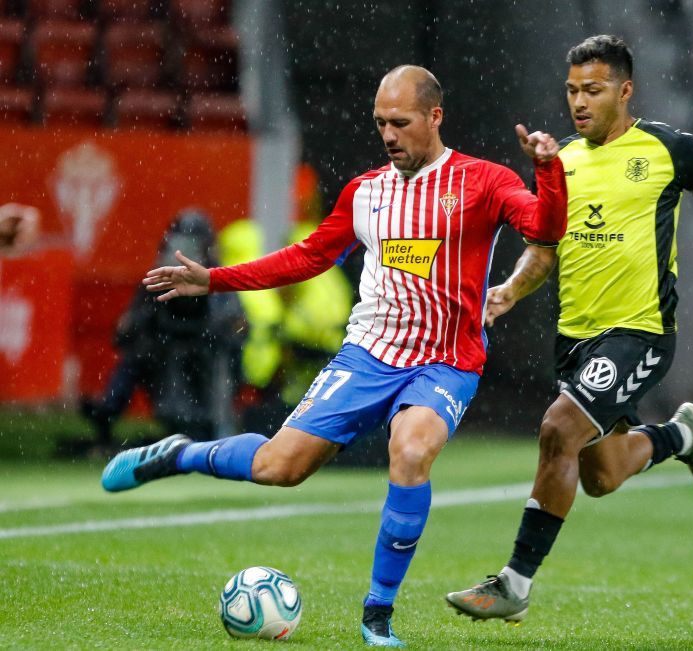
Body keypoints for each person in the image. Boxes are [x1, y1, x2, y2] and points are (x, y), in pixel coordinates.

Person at [100, 65, 567, 647]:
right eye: (380, 124)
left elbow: (546, 228)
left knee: (412, 449)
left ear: (434, 118)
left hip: (446, 361)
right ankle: (180, 454)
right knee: (280, 468)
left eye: (400, 122)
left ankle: (377, 614)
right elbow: (308, 257)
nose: (389, 135)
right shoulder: (365, 192)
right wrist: (215, 280)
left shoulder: (484, 182)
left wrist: (548, 171)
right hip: (367, 356)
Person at [446, 35, 693, 622]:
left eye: (593, 89)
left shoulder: (669, 148)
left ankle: (514, 585)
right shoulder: (559, 163)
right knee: (603, 475)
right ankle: (681, 438)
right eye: (572, 91)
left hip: (640, 329)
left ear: (625, 90)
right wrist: (508, 289)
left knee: (558, 430)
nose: (579, 102)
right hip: (575, 337)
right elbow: (545, 246)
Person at [82, 210, 245, 450]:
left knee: (221, 360)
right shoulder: (159, 278)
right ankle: (107, 413)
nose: (185, 253)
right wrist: (149, 332)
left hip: (207, 358)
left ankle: (218, 432)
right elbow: (126, 331)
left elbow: (235, 327)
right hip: (163, 354)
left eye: (192, 245)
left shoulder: (218, 278)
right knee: (134, 357)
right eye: (179, 244)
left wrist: (209, 332)